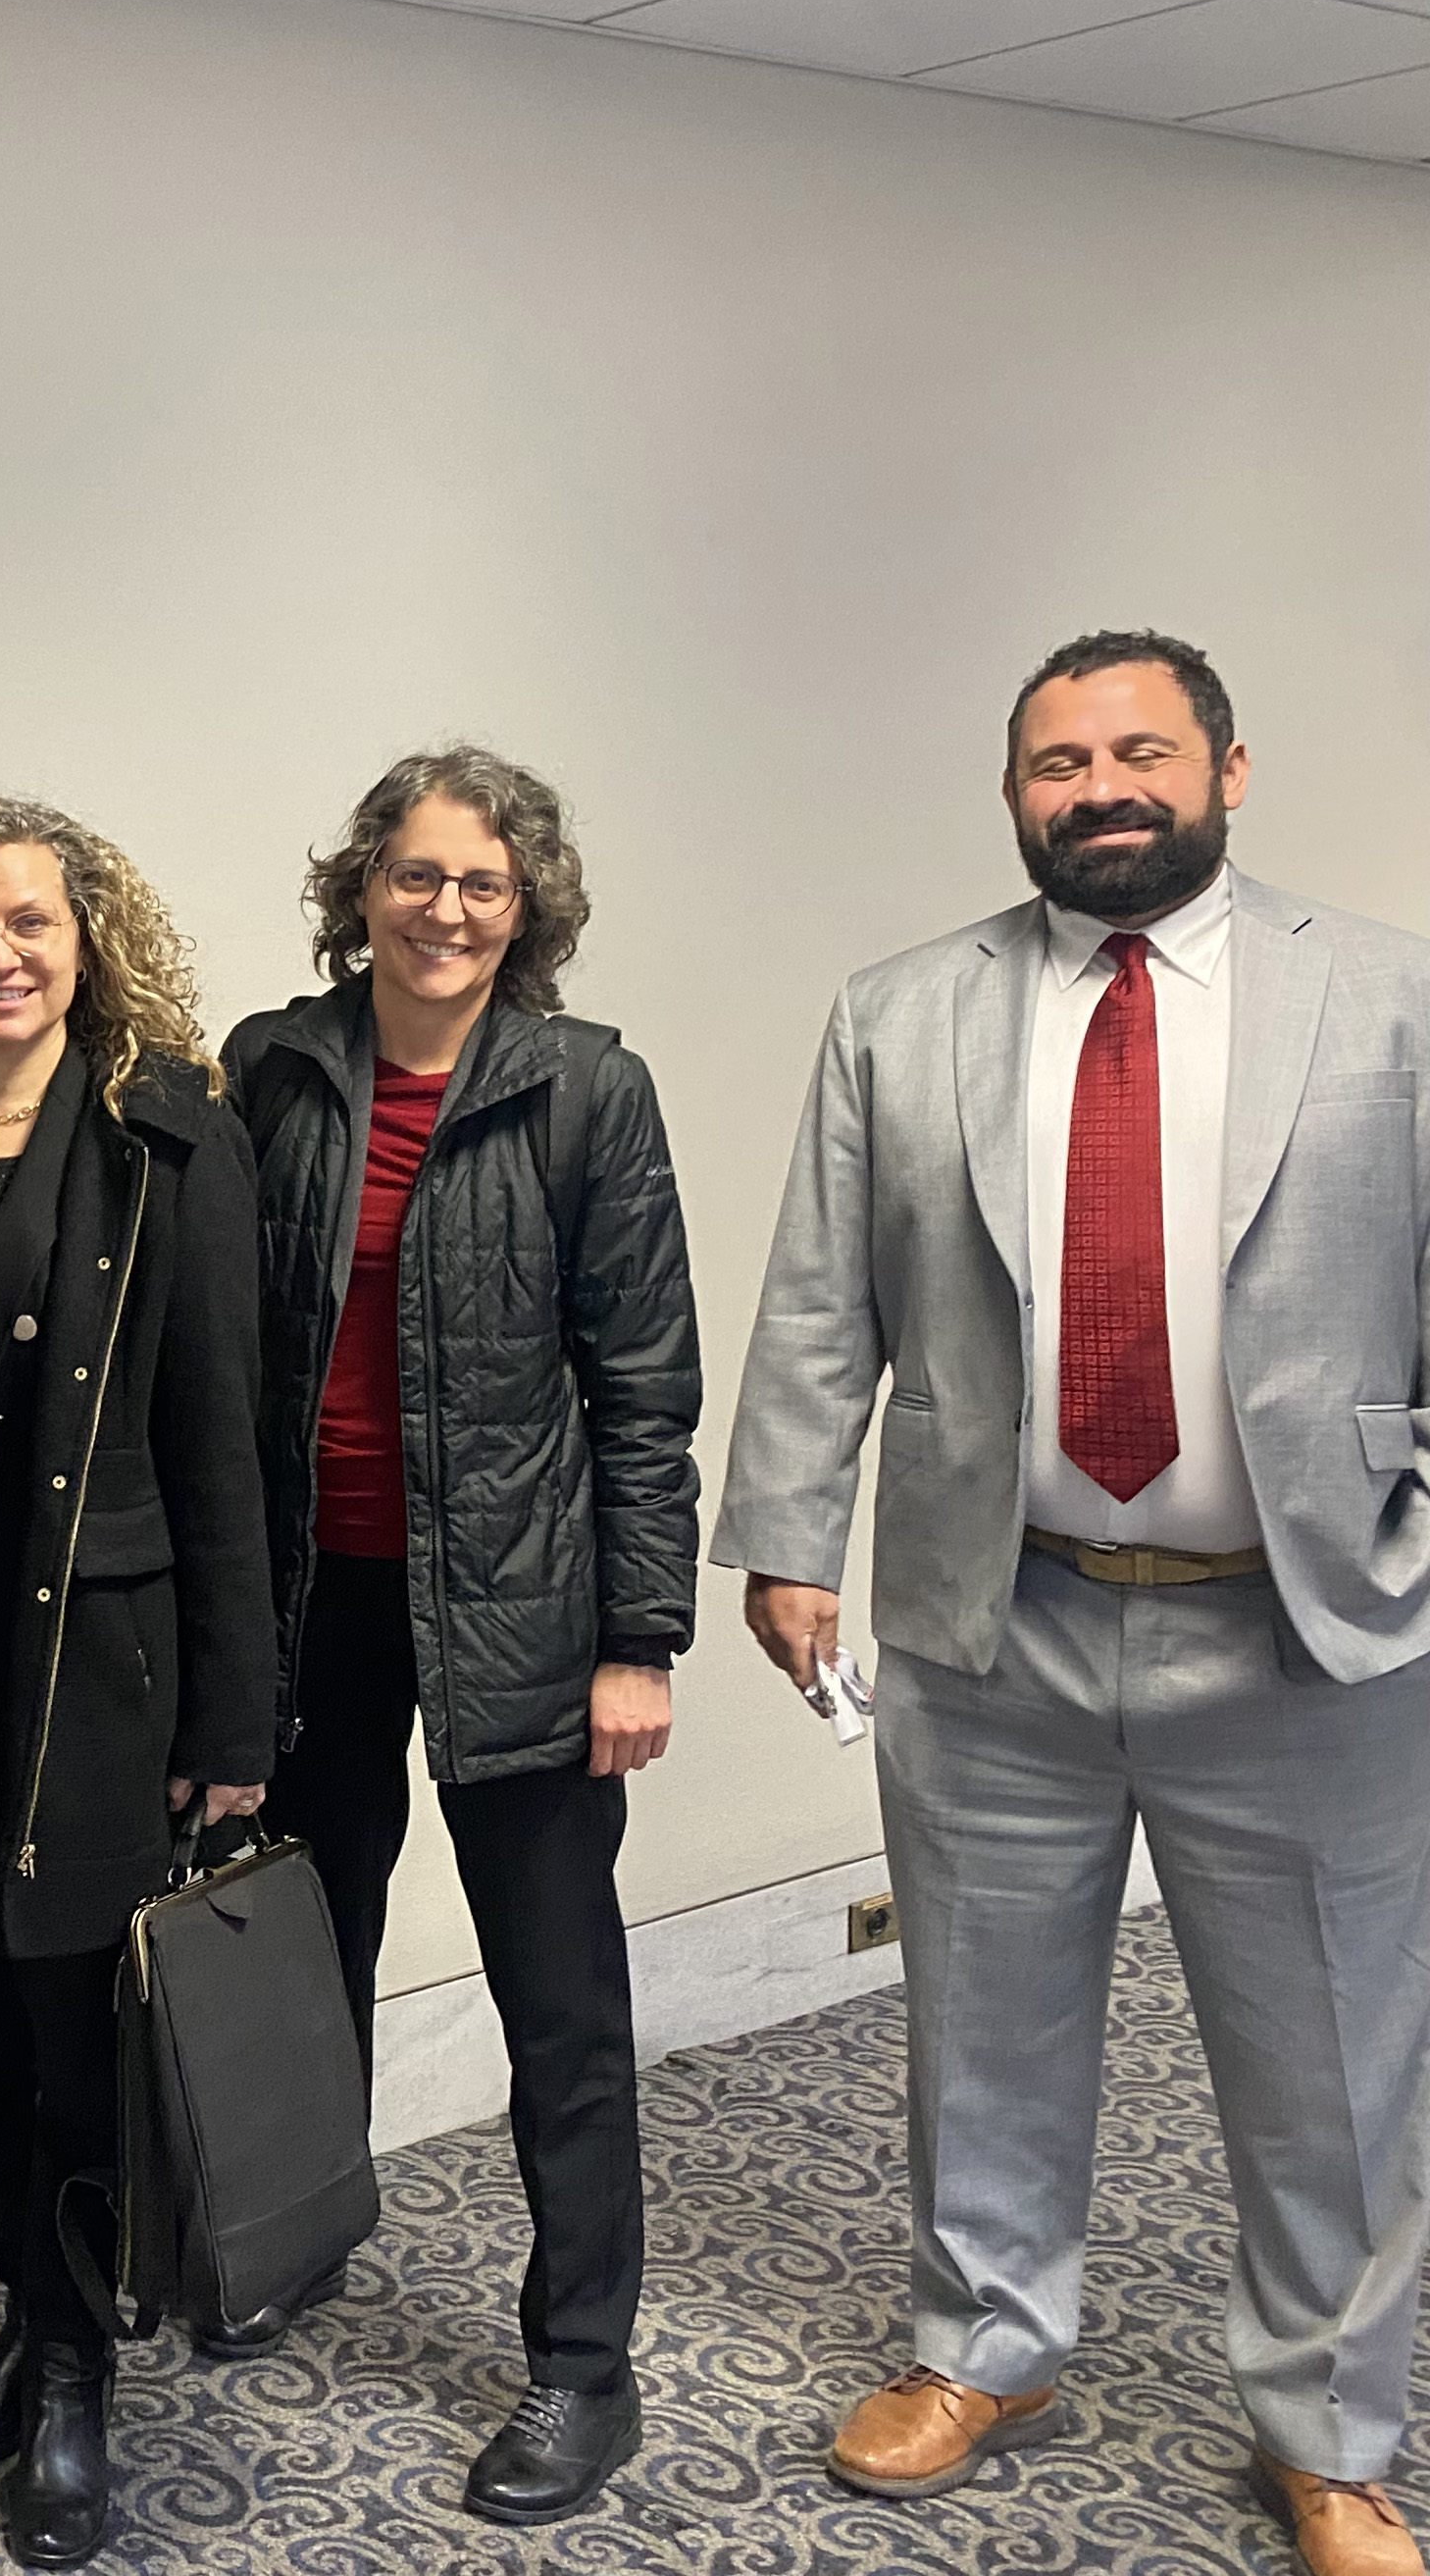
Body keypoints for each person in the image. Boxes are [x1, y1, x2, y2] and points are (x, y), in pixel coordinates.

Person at [717, 632, 1430, 2576]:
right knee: (981, 2017)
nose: (1099, 787)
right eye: (1056, 761)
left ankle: (1331, 2436)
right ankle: (988, 2345)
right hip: (993, 1616)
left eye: (1140, 751)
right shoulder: (901, 1016)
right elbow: (815, 1300)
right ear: (1015, 791)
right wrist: (787, 1536)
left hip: (1304, 1626)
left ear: (1229, 768)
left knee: (1334, 2062)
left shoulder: (1385, 1000)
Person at [225, 747, 701, 2526]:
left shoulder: (587, 1092)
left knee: (560, 2003)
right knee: (304, 1956)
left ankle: (585, 2366)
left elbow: (644, 1390)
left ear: (528, 909)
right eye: (415, 877)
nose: (443, 910)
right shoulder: (274, 1073)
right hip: (310, 1603)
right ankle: (295, 2243)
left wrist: (637, 1639)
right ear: (362, 890)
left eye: (480, 885)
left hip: (524, 1612)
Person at [0, 795, 276, 2571]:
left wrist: (237, 1725)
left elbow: (222, 1439)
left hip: (93, 1665)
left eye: (30, 924)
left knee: (73, 2037)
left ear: (89, 940)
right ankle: (29, 2320)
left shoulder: (162, 1134)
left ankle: (79, 2368)